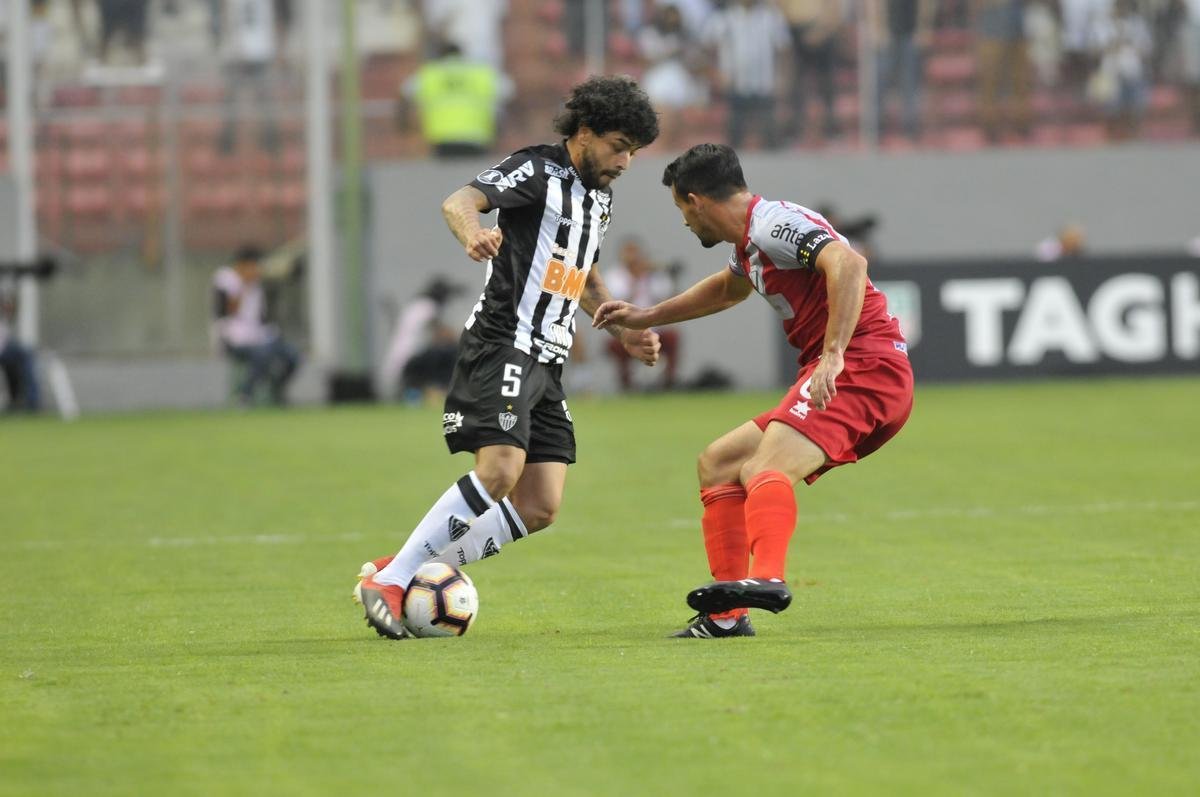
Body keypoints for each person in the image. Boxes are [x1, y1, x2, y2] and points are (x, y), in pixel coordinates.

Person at [354, 75, 662, 639]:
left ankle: (406, 569)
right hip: (504, 341)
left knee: (541, 505)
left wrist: (620, 329)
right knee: (498, 471)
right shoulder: (539, 170)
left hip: (547, 358)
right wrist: (473, 234)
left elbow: (580, 271)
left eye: (633, 153)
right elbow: (460, 200)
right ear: (586, 133)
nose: (624, 161)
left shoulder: (599, 197)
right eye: (619, 146)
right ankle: (393, 580)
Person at [593, 144, 914, 638]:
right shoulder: (749, 244)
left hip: (863, 367)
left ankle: (766, 577)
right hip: (844, 369)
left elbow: (849, 265)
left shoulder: (773, 225)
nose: (684, 222)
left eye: (681, 209)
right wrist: (647, 314)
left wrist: (833, 355)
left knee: (764, 468)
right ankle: (725, 616)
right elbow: (727, 289)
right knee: (719, 462)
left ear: (696, 200)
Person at [212, 244, 300, 406]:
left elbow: (264, 317)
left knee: (292, 356)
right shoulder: (226, 278)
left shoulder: (258, 286)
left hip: (258, 337)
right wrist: (244, 284)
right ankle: (245, 395)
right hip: (233, 339)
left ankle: (277, 390)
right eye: (253, 265)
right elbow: (229, 310)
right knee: (262, 354)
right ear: (243, 264)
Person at [399, 42, 513, 158]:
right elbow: (508, 90)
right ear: (462, 55)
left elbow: (406, 91)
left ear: (440, 56)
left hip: (441, 138)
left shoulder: (429, 73)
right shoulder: (481, 72)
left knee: (447, 175)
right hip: (476, 137)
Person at [604, 237, 681, 392]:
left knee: (673, 337)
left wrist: (667, 277)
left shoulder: (654, 274)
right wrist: (636, 280)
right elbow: (616, 303)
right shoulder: (614, 275)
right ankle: (627, 385)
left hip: (655, 327)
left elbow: (667, 300)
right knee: (615, 345)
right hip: (625, 328)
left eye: (635, 252)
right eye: (628, 252)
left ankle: (668, 383)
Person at [380, 276, 465, 402]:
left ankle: (427, 392)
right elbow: (442, 334)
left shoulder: (417, 305)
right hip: (408, 359)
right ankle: (440, 390)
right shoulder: (428, 306)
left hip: (402, 358)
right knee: (450, 353)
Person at [0, 284, 41, 413]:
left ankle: (28, 402)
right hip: (4, 349)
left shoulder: (4, 318)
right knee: (25, 354)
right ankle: (31, 403)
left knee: (25, 355)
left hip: (5, 349)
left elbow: (11, 310)